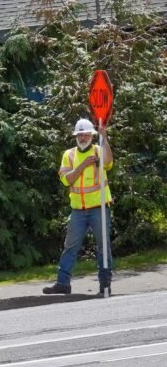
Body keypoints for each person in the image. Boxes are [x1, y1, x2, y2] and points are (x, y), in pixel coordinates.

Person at [45, 117, 114, 296]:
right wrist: (83, 165)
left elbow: (108, 162)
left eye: (86, 134)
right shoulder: (69, 155)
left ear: (91, 135)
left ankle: (105, 284)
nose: (83, 138)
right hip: (78, 210)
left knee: (103, 247)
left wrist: (104, 137)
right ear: (76, 136)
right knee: (70, 246)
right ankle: (62, 284)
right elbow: (66, 179)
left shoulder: (99, 150)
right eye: (80, 135)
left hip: (99, 207)